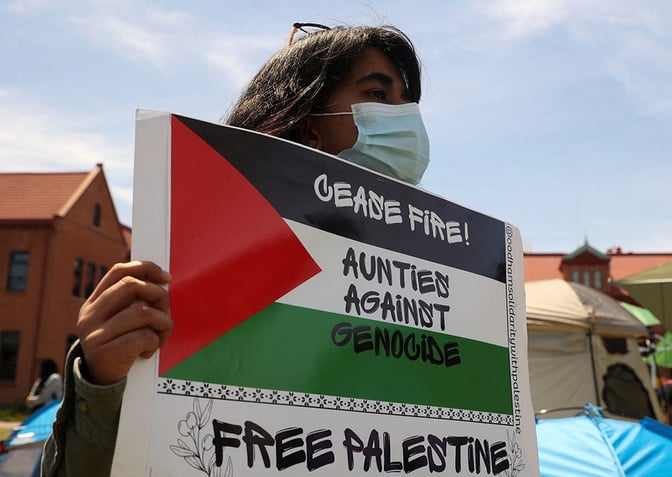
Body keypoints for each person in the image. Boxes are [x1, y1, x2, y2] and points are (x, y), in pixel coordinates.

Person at [41, 22, 427, 476]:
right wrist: (103, 381)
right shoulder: (189, 275)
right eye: (379, 95)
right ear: (309, 124)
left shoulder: (429, 291)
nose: (405, 119)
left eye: (409, 102)